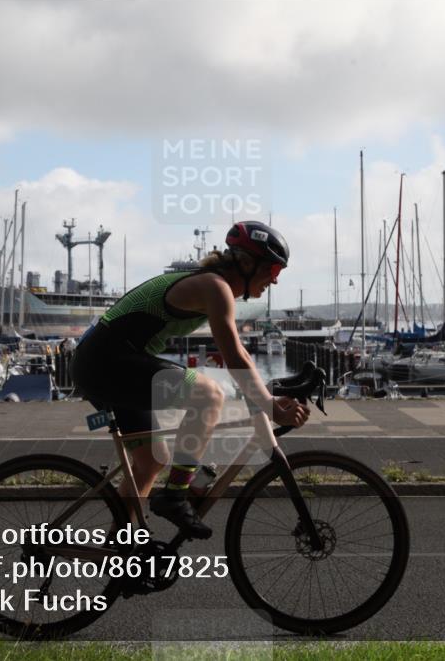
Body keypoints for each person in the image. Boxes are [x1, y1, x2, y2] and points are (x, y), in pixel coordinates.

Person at [70, 221, 310, 539]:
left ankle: (118, 546)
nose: (275, 280)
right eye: (273, 270)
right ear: (247, 263)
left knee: (150, 462)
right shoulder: (215, 287)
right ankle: (174, 496)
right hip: (105, 362)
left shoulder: (212, 285)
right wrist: (270, 405)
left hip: (107, 362)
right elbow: (236, 357)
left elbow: (241, 356)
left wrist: (268, 395)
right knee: (208, 394)